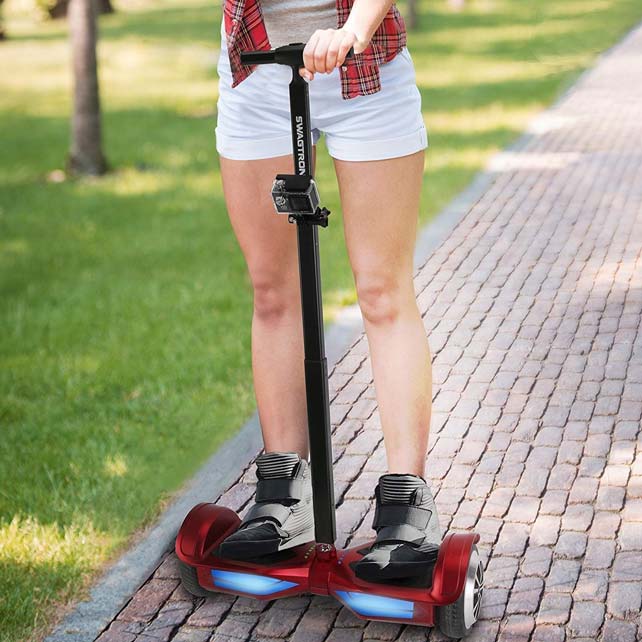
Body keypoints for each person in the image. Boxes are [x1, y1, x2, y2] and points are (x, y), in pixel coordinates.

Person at [215, 0, 440, 581]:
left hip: (366, 73)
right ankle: (285, 492)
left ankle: (406, 502)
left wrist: (352, 30)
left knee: (382, 291)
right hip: (257, 71)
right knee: (271, 291)